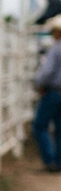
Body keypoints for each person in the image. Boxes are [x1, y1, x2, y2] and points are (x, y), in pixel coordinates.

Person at [32, 16, 61, 172]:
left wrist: (40, 84)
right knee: (60, 128)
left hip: (54, 91)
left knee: (39, 125)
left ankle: (49, 160)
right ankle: (58, 161)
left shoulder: (56, 49)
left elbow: (48, 71)